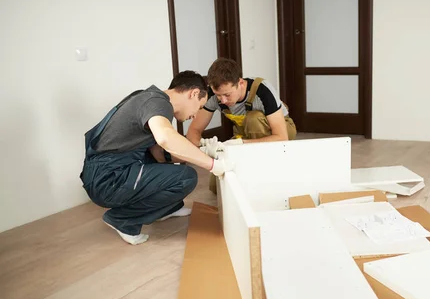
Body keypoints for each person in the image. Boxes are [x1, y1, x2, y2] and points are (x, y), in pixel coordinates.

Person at [79, 71, 233, 245]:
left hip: (107, 171)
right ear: (194, 93)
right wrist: (212, 165)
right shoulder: (157, 103)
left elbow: (160, 155)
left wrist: (202, 151)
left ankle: (165, 209)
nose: (196, 115)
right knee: (186, 177)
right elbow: (166, 139)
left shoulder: (149, 99)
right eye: (199, 107)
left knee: (172, 169)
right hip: (107, 178)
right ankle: (122, 219)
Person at [186, 58, 297, 192]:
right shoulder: (212, 95)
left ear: (240, 83)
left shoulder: (262, 90)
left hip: (281, 129)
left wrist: (241, 144)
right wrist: (204, 149)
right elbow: (194, 130)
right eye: (218, 95)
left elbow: (281, 137)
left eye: (227, 94)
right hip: (245, 133)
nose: (223, 100)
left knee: (253, 119)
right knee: (218, 187)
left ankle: (268, 176)